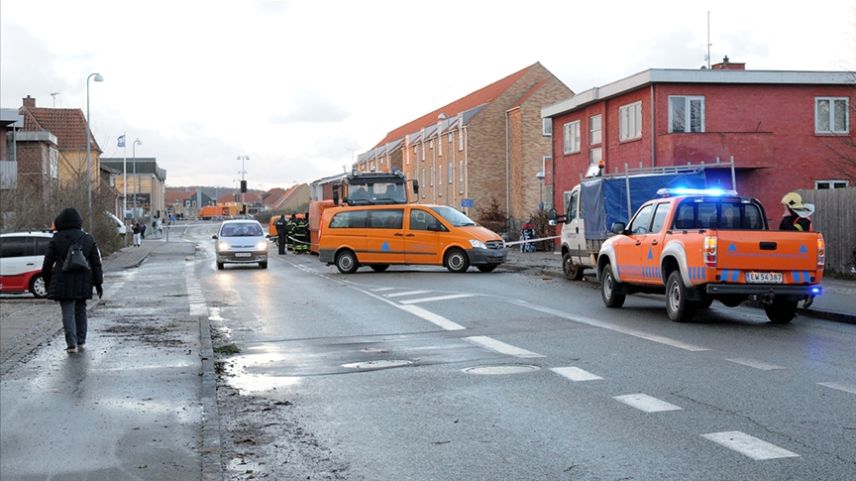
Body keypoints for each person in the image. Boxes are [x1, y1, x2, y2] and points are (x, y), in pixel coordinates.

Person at [41, 207, 103, 354]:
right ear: (78, 221)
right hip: (83, 279)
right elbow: (96, 263)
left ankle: (71, 344)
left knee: (67, 312)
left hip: (63, 280)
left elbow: (47, 263)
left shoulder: (56, 239)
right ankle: (81, 340)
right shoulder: (88, 238)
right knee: (81, 309)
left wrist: (47, 282)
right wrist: (98, 283)